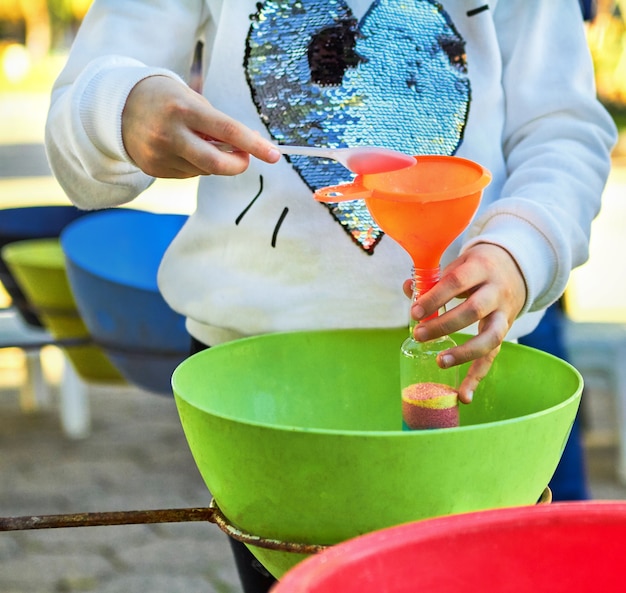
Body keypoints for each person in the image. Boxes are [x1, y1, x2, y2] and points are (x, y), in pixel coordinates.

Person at [45, 1, 616, 590]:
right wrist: (122, 108)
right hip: (265, 384)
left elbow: (561, 125)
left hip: (478, 361)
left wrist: (522, 251)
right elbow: (79, 120)